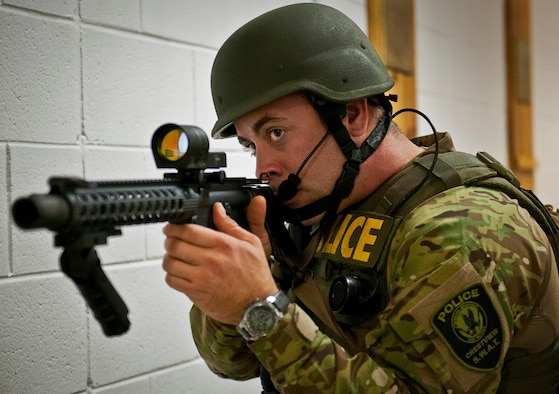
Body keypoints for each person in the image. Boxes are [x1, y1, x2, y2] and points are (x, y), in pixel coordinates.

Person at [162, 3, 559, 393]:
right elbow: (232, 363)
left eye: (276, 133)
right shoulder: (326, 209)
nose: (262, 167)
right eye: (252, 145)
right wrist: (242, 278)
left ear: (352, 115)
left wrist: (258, 306)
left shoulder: (461, 230)